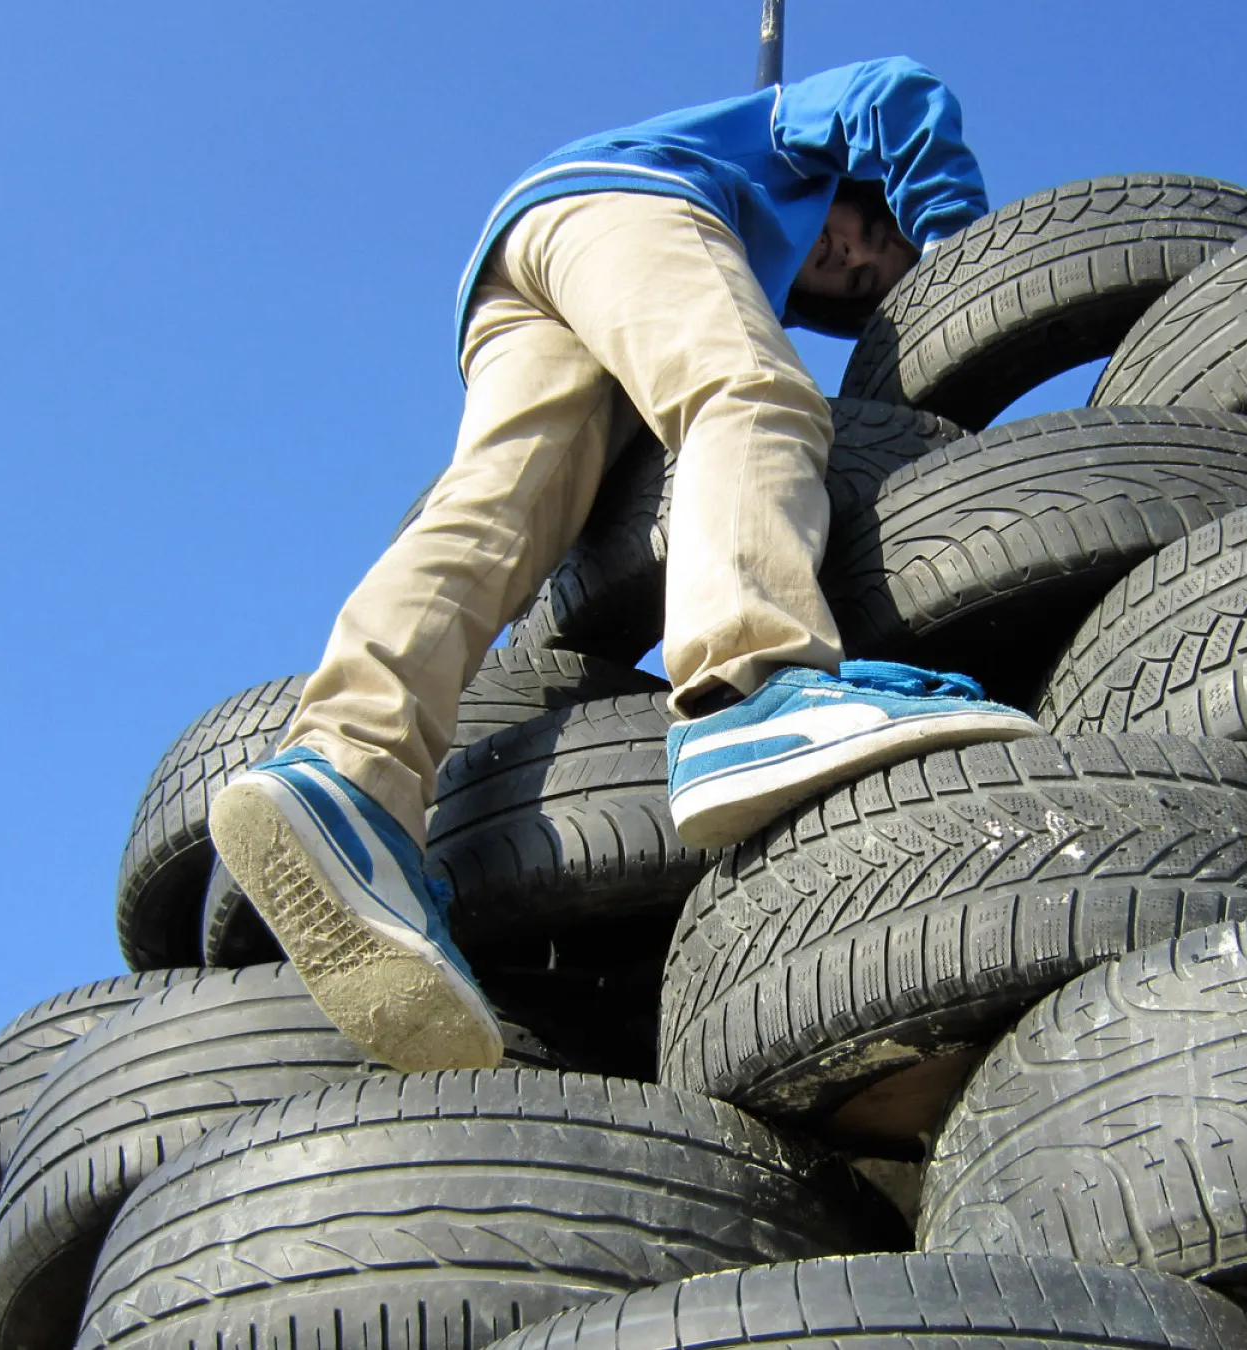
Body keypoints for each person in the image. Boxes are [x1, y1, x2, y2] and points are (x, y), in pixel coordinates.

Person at [209, 56, 1043, 1073]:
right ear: (864, 189)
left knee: (492, 519)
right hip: (629, 209)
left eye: (861, 280)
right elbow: (898, 91)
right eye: (868, 231)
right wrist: (957, 245)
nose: (850, 256)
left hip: (514, 269)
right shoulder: (783, 142)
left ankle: (350, 775)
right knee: (754, 392)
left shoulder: (737, 244)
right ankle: (754, 685)